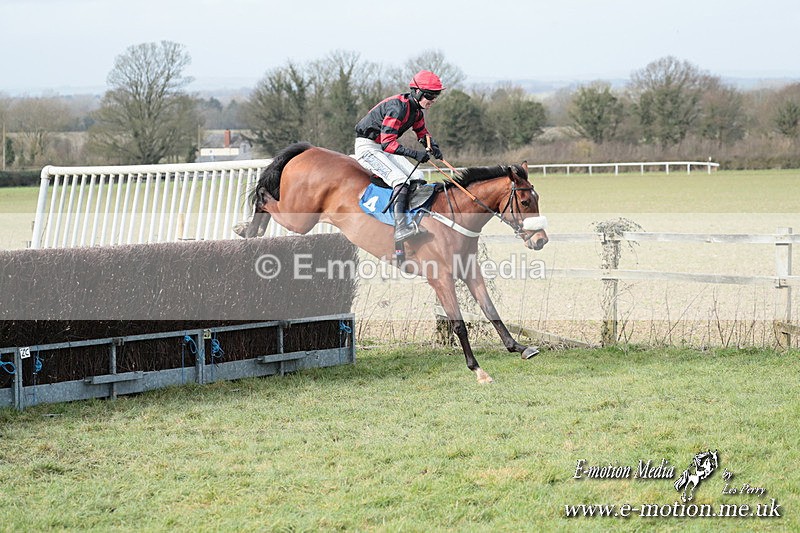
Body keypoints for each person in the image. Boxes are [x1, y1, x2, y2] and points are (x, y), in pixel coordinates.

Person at [355, 69, 445, 242]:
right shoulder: (398, 108)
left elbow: (421, 132)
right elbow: (388, 143)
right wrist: (415, 154)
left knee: (418, 175)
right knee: (400, 180)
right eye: (430, 96)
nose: (433, 100)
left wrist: (432, 145)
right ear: (417, 92)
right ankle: (401, 228)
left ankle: (414, 219)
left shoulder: (417, 111)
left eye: (436, 96)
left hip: (381, 147)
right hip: (368, 147)